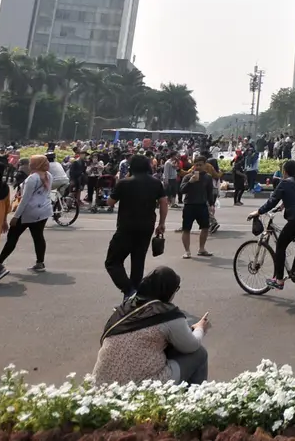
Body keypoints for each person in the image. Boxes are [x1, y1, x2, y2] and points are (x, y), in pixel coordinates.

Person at [92, 267, 210, 385]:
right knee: (199, 354)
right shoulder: (167, 314)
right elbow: (191, 345)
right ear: (169, 290)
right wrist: (200, 328)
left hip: (103, 384)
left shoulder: (125, 308)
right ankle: (194, 398)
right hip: (142, 386)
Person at [104, 155, 169, 300]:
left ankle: (129, 291)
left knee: (112, 262)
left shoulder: (124, 183)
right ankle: (134, 298)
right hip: (147, 226)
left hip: (126, 226)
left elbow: (110, 202)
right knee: (138, 262)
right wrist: (161, 223)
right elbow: (164, 203)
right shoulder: (156, 182)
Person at [249, 160, 295, 290]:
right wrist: (283, 205)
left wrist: (258, 212)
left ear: (285, 172)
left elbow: (271, 202)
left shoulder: (285, 183)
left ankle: (279, 280)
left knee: (281, 245)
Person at [0, 154, 53, 272]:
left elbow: (25, 199)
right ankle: (40, 263)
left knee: (12, 236)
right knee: (38, 236)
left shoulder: (33, 178)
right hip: (44, 210)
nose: (29, 164)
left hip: (29, 211)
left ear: (35, 164)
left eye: (31, 162)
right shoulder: (48, 175)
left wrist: (16, 216)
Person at [178, 156, 214, 259]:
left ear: (204, 165)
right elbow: (181, 190)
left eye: (200, 165)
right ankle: (187, 251)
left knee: (205, 227)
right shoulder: (187, 176)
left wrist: (211, 204)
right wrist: (190, 182)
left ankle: (201, 249)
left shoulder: (208, 177)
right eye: (196, 165)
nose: (198, 167)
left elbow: (210, 192)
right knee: (186, 229)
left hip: (202, 205)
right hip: (189, 205)